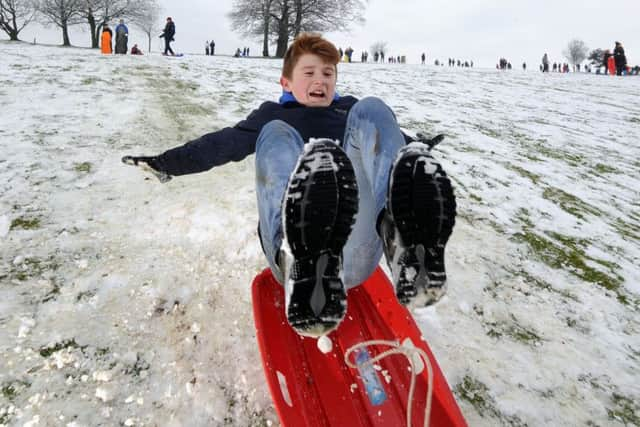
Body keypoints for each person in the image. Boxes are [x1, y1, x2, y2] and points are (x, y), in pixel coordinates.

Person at [121, 33, 456, 337]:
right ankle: (300, 259)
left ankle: (404, 236)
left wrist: (417, 146)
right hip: (294, 261)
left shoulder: (348, 111)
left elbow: (384, 139)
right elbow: (220, 145)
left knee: (372, 108)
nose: (320, 81)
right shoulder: (272, 115)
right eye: (309, 73)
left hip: (357, 248)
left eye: (328, 74)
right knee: (276, 132)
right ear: (286, 81)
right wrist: (165, 163)